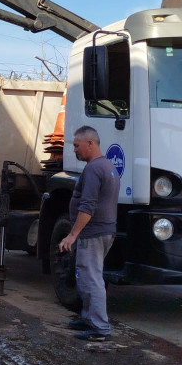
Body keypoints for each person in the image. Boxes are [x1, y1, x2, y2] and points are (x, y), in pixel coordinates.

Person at [58, 126, 120, 341]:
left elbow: (87, 206)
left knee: (91, 278)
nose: (75, 150)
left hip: (92, 233)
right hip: (103, 230)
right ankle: (88, 318)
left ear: (90, 143)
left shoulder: (94, 169)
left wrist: (72, 235)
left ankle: (99, 328)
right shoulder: (108, 166)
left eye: (77, 145)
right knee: (87, 276)